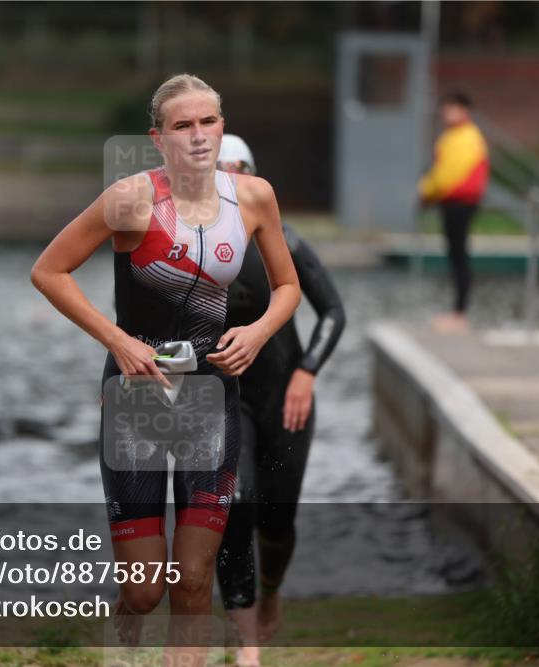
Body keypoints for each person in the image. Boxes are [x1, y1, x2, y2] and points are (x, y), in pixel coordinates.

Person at [30, 74, 301, 665]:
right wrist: (118, 340)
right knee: (147, 589)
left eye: (208, 122)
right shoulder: (131, 199)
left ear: (222, 128)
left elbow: (288, 286)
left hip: (211, 394)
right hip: (137, 396)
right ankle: (128, 608)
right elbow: (49, 271)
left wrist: (257, 332)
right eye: (183, 126)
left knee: (195, 575)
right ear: (159, 139)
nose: (198, 135)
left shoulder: (254, 197)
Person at [214, 136, 346, 667]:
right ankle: (247, 644)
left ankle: (271, 590)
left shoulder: (283, 240)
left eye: (239, 169)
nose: (231, 180)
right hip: (224, 398)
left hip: (284, 397)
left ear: (255, 177)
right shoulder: (191, 248)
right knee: (235, 505)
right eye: (221, 171)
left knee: (276, 518)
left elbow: (332, 311)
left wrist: (307, 372)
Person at [417, 92, 489, 333]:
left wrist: (425, 191)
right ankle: (458, 311)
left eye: (451, 108)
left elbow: (448, 175)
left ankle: (460, 313)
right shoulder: (453, 137)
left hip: (461, 203)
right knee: (456, 255)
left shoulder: (466, 138)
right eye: (446, 108)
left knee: (459, 256)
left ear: (464, 110)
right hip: (452, 202)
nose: (446, 113)